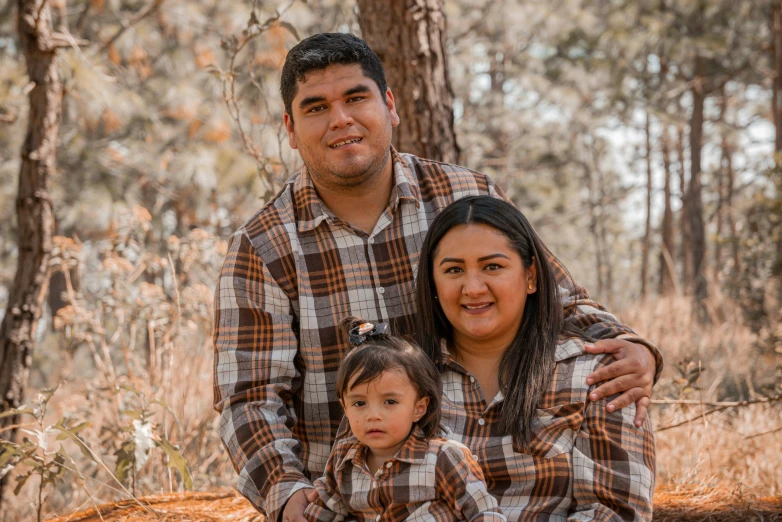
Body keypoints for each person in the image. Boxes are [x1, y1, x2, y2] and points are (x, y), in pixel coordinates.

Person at [213, 32, 661, 522]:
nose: (340, 119)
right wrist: (289, 496)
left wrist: (631, 347)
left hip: (497, 455)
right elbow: (250, 399)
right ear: (291, 128)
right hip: (352, 498)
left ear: (389, 105)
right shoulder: (263, 247)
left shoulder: (463, 193)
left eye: (356, 98)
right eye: (316, 107)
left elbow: (555, 297)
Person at [414, 195, 655, 521]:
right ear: (432, 283)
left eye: (492, 267)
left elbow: (615, 513)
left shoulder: (595, 377)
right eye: (454, 270)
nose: (472, 287)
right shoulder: (405, 379)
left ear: (531, 277)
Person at [303, 318, 506, 522]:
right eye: (359, 403)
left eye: (390, 401)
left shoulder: (443, 458)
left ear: (418, 408)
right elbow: (322, 513)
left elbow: (484, 512)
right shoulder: (342, 461)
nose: (373, 415)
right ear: (344, 407)